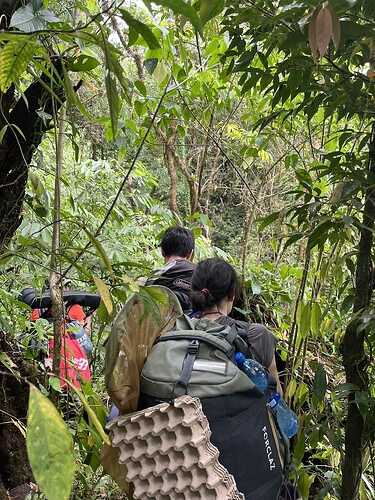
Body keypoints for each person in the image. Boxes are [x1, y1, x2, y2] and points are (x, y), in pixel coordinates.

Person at [190, 257, 283, 395]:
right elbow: (277, 394)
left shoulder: (179, 329)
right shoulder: (256, 334)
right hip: (240, 415)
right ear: (232, 294)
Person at [144, 226, 196, 313]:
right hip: (192, 325)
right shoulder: (202, 274)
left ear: (162, 250)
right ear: (190, 253)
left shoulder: (154, 276)